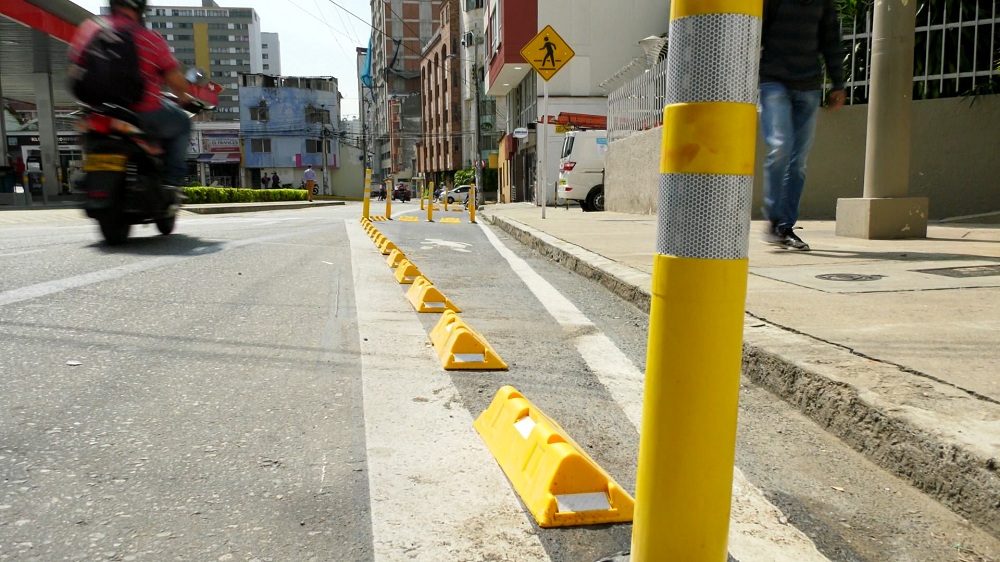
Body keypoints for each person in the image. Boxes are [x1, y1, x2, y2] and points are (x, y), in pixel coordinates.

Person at [69, 0, 195, 187]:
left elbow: (74, 70)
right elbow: (175, 80)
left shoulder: (90, 29)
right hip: (142, 112)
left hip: (98, 112)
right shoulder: (149, 38)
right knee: (183, 123)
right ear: (140, 9)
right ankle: (172, 182)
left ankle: (89, 173)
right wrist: (185, 96)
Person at [759, 0, 846, 251]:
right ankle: (774, 220)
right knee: (780, 147)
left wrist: (838, 83)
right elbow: (756, 34)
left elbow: (831, 40)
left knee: (798, 161)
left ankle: (785, 228)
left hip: (807, 86)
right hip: (774, 82)